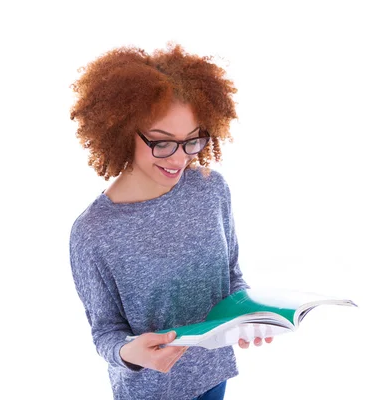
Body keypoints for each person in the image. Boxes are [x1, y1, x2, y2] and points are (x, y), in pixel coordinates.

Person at [68, 43, 273, 400]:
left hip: (212, 374)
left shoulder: (211, 190)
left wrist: (246, 313)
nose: (179, 159)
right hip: (151, 391)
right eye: (162, 143)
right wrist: (130, 354)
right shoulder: (94, 232)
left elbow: (231, 274)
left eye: (192, 140)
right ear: (120, 130)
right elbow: (105, 333)